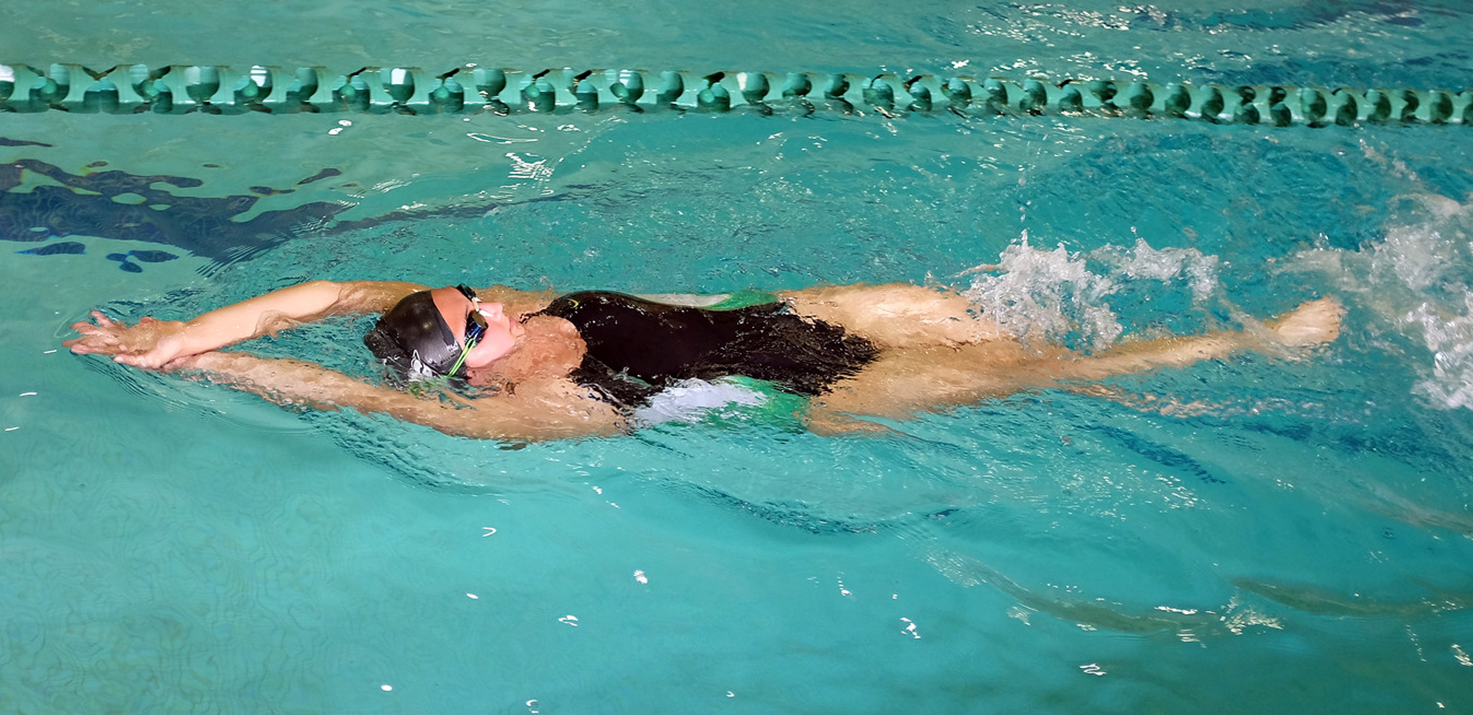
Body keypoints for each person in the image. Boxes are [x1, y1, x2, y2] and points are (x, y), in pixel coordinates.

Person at [65, 279, 1343, 441]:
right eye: (478, 316)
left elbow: (327, 300)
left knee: (952, 303)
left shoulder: (532, 317)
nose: (495, 293)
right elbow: (342, 381)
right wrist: (208, 375)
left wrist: (176, 332)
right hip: (827, 390)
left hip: (795, 312)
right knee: (1043, 372)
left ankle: (1147, 359)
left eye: (474, 291)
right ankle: (1241, 348)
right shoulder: (543, 409)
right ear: (472, 367)